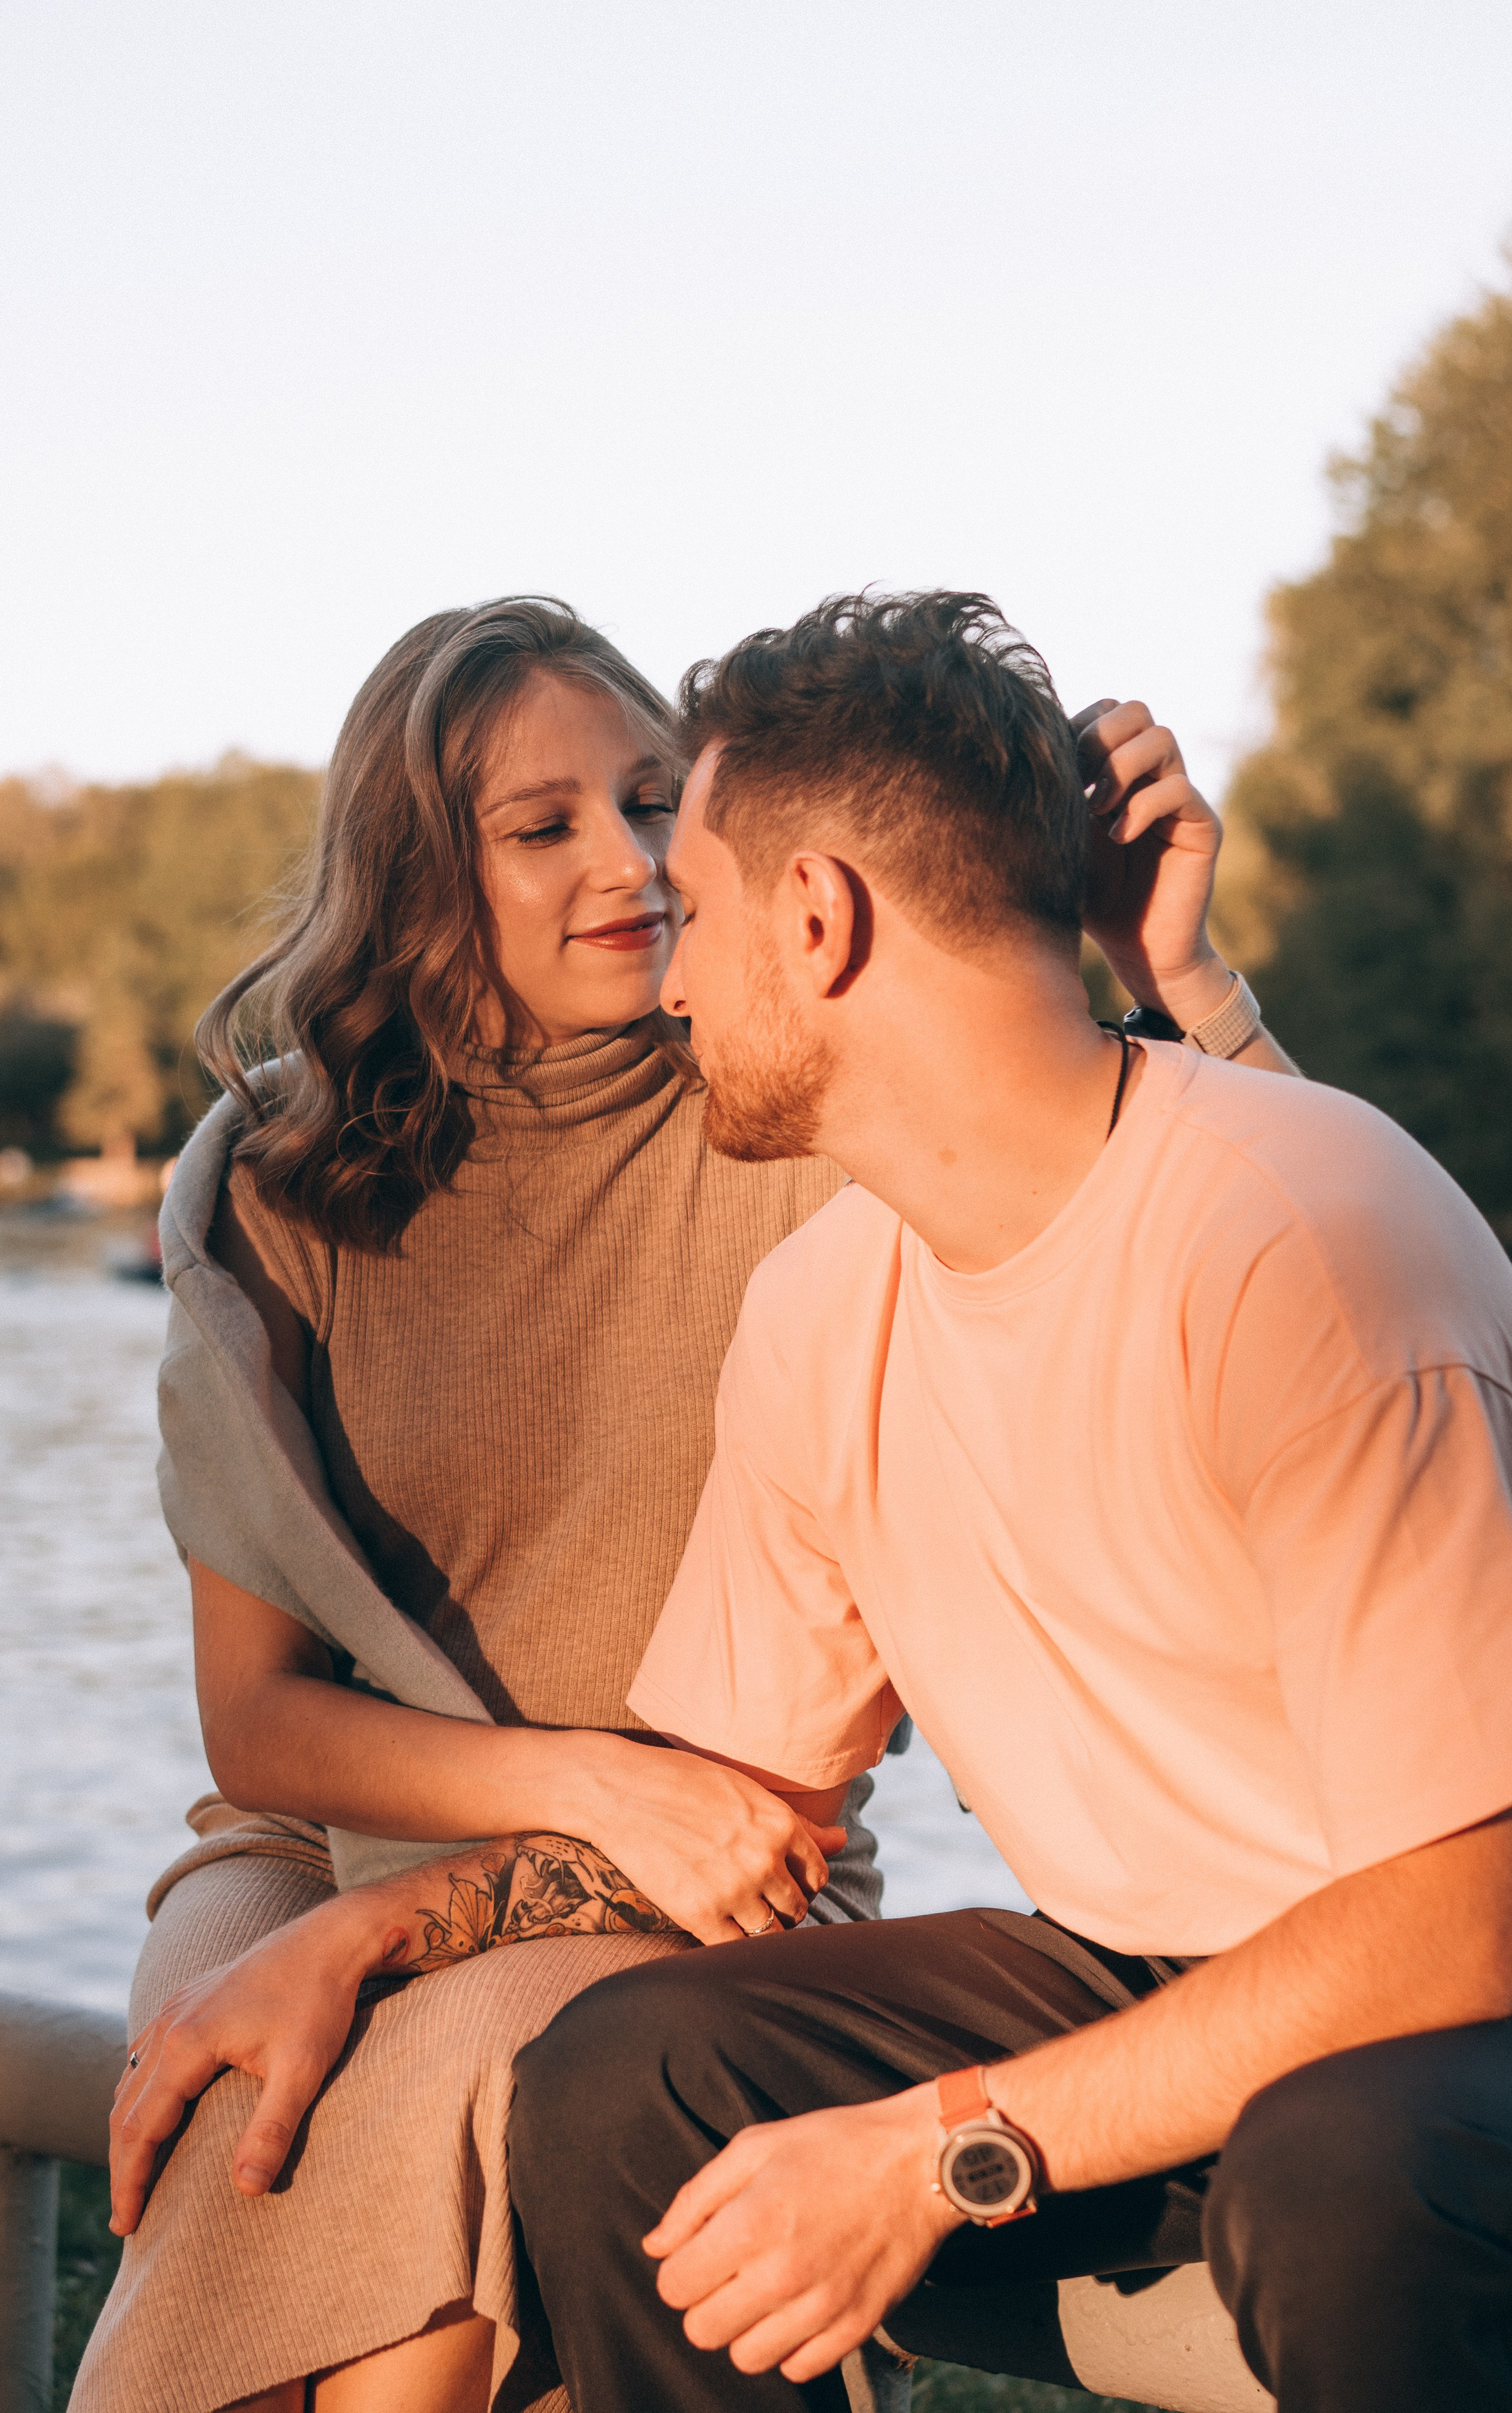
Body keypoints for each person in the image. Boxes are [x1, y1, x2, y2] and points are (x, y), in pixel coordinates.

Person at [70, 597, 1280, 2413]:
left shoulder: (787, 1106)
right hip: (316, 1843)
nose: (629, 864)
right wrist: (577, 1779)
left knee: (440, 2115)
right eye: (541, 825)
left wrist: (1187, 984)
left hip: (709, 1863)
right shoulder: (277, 1180)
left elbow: (1268, 1260)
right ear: (421, 875)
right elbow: (258, 1719)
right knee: (234, 2106)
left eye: (654, 803)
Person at [505, 590, 1512, 2413]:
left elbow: (1462, 1920)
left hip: (1453, 2014)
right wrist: (364, 1935)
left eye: (699, 911)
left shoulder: (1301, 1245)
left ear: (817, 918)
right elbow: (746, 1807)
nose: (671, 980)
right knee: (629, 2076)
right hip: (1158, 1984)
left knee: (1339, 2174)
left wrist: (939, 2149)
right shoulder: (818, 1313)